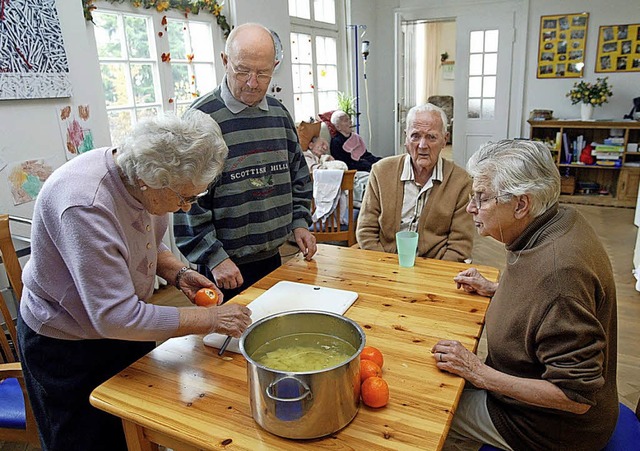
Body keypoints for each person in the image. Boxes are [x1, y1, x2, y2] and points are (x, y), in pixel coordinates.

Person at [17, 111, 253, 451]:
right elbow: (115, 316)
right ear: (149, 180)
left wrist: (176, 272)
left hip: (122, 328)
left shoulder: (141, 182)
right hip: (68, 343)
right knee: (84, 440)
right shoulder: (85, 205)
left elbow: (139, 242)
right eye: (184, 197)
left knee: (132, 430)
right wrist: (211, 319)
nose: (186, 208)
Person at [432, 139, 618, 451]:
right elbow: (540, 298)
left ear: (521, 204)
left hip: (547, 428)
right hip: (525, 401)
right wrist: (497, 288)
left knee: (433, 411)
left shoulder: (561, 275)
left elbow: (575, 397)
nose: (470, 208)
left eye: (481, 198)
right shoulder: (557, 221)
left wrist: (478, 372)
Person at [174, 23, 317, 301]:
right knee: (223, 343)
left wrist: (299, 222)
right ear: (225, 61)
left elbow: (298, 175)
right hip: (222, 268)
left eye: (263, 73)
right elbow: (185, 202)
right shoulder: (199, 119)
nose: (253, 82)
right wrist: (214, 257)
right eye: (242, 71)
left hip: (273, 258)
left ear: (275, 66)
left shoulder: (279, 114)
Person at [356, 103, 474, 262]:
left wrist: (432, 275)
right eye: (416, 136)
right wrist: (385, 267)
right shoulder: (381, 172)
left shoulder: (461, 182)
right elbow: (366, 231)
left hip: (435, 268)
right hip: (384, 263)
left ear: (444, 139)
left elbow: (460, 244)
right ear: (406, 138)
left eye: (431, 137)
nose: (422, 145)